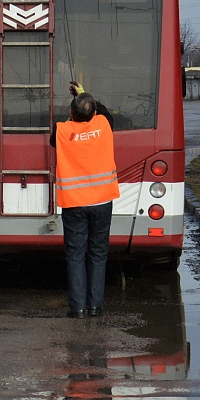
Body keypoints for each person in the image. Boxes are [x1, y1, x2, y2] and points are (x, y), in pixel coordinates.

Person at [51, 80, 120, 318]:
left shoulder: (61, 130)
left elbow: (54, 141)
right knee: (99, 254)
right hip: (102, 201)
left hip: (74, 203)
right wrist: (84, 95)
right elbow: (103, 111)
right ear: (93, 113)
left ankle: (77, 308)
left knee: (75, 255)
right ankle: (95, 306)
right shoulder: (104, 125)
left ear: (71, 113)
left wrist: (75, 112)